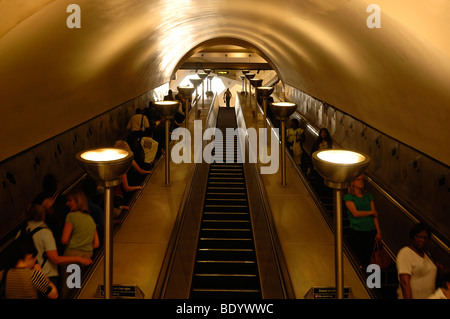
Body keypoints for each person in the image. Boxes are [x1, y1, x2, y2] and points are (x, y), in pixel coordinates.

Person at [19, 203, 92, 291]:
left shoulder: (21, 233)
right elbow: (55, 259)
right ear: (43, 216)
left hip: (26, 276)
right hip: (47, 274)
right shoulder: (45, 233)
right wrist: (79, 258)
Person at [60, 188, 99, 297]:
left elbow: (64, 240)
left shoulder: (71, 216)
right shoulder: (90, 219)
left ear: (78, 201)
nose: (67, 204)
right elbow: (96, 243)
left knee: (69, 291)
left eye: (70, 201)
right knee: (79, 292)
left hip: (72, 259)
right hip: (87, 259)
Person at [0, 234, 58, 299]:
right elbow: (54, 295)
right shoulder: (34, 275)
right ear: (30, 256)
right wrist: (41, 273)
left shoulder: (2, 273)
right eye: (35, 260)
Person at [343, 174, 382, 269]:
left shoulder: (368, 196)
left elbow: (375, 215)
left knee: (370, 259)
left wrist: (378, 231)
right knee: (360, 257)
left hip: (370, 230)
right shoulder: (349, 197)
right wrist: (370, 212)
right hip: (357, 231)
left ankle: (371, 282)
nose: (361, 181)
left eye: (362, 180)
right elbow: (355, 213)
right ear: (352, 182)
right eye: (358, 179)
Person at [396, 223, 439, 299]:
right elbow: (404, 282)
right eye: (419, 237)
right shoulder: (406, 253)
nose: (422, 240)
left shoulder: (427, 256)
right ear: (412, 238)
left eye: (425, 238)